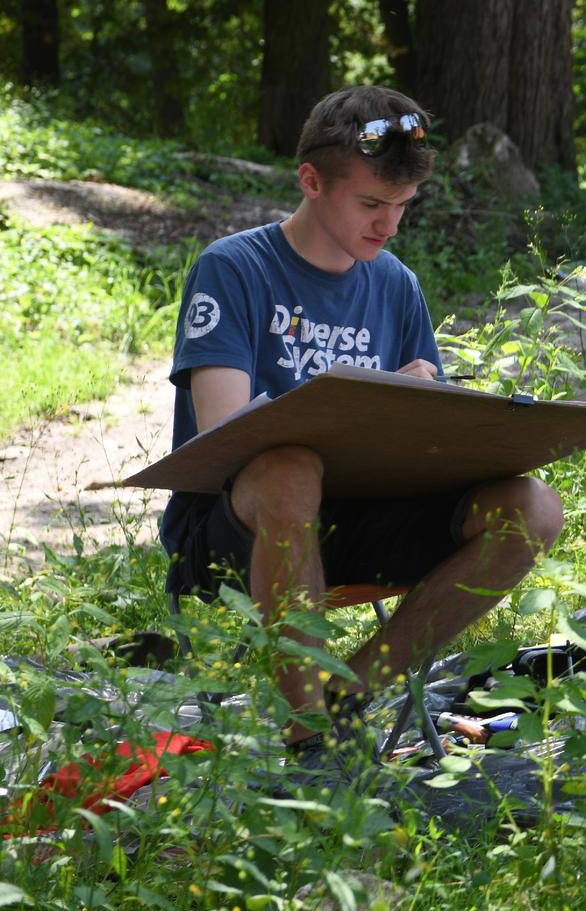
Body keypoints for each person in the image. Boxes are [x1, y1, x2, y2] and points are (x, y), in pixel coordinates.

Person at [161, 85, 562, 752]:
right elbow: (222, 438)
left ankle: (353, 690)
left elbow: (427, 446)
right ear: (311, 181)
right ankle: (310, 733)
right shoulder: (234, 269)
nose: (389, 225)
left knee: (534, 509)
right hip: (239, 526)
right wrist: (363, 399)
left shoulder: (395, 284)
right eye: (371, 204)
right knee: (291, 467)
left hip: (365, 515)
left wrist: (427, 415)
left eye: (402, 207)